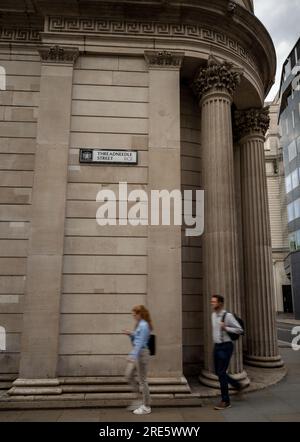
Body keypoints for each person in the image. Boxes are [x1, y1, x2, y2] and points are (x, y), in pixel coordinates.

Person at [211, 294, 245, 410]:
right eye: (212, 302)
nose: (212, 303)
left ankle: (226, 401)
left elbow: (240, 330)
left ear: (220, 303)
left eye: (214, 302)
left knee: (221, 373)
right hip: (217, 346)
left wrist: (226, 328)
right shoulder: (213, 315)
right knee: (218, 372)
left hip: (226, 347)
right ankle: (237, 385)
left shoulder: (228, 316)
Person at [123, 305, 153, 415]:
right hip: (138, 353)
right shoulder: (140, 324)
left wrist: (133, 355)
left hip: (141, 354)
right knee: (128, 375)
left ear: (140, 314)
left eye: (135, 314)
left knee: (143, 380)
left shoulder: (144, 325)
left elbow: (140, 342)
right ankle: (139, 399)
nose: (133, 316)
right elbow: (137, 338)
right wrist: (130, 334)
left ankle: (146, 406)